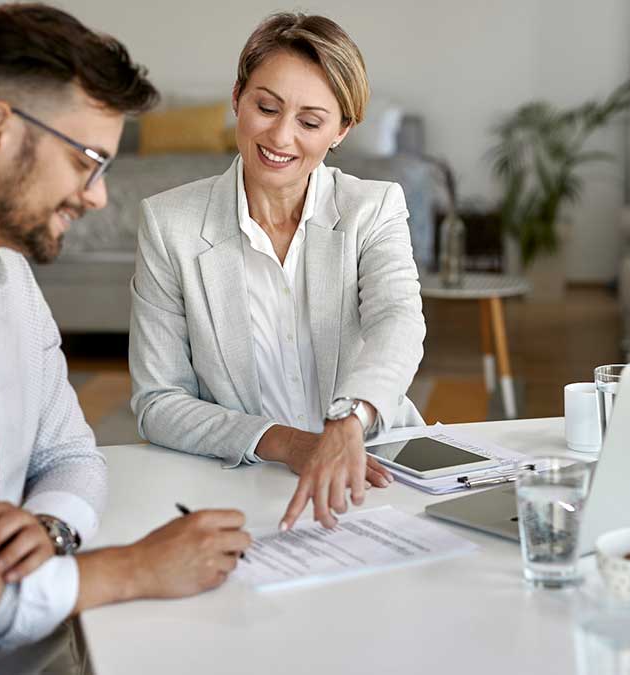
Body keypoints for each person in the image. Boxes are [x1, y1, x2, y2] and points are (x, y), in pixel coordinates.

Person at [0, 5, 250, 674]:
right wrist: (129, 569)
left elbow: (70, 452)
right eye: (86, 159)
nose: (98, 196)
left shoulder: (10, 279)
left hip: (47, 642)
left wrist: (48, 528)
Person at [129, 12, 426, 532]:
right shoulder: (168, 223)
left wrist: (348, 423)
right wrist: (288, 442)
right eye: (266, 107)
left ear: (342, 129)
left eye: (310, 122)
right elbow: (158, 402)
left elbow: (398, 320)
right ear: (238, 97)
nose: (281, 137)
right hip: (239, 481)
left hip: (375, 473)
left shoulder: (373, 208)